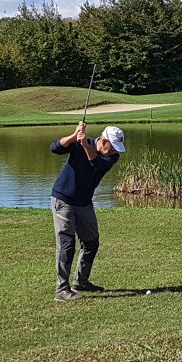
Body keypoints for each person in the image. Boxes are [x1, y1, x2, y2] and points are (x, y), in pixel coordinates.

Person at [49, 122, 126, 301]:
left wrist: (84, 144)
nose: (115, 151)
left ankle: (81, 281)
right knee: (67, 243)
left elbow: (96, 164)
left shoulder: (112, 157)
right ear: (104, 141)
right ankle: (62, 289)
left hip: (84, 202)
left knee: (91, 242)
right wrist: (74, 136)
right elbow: (55, 148)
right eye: (113, 147)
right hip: (64, 199)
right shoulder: (80, 142)